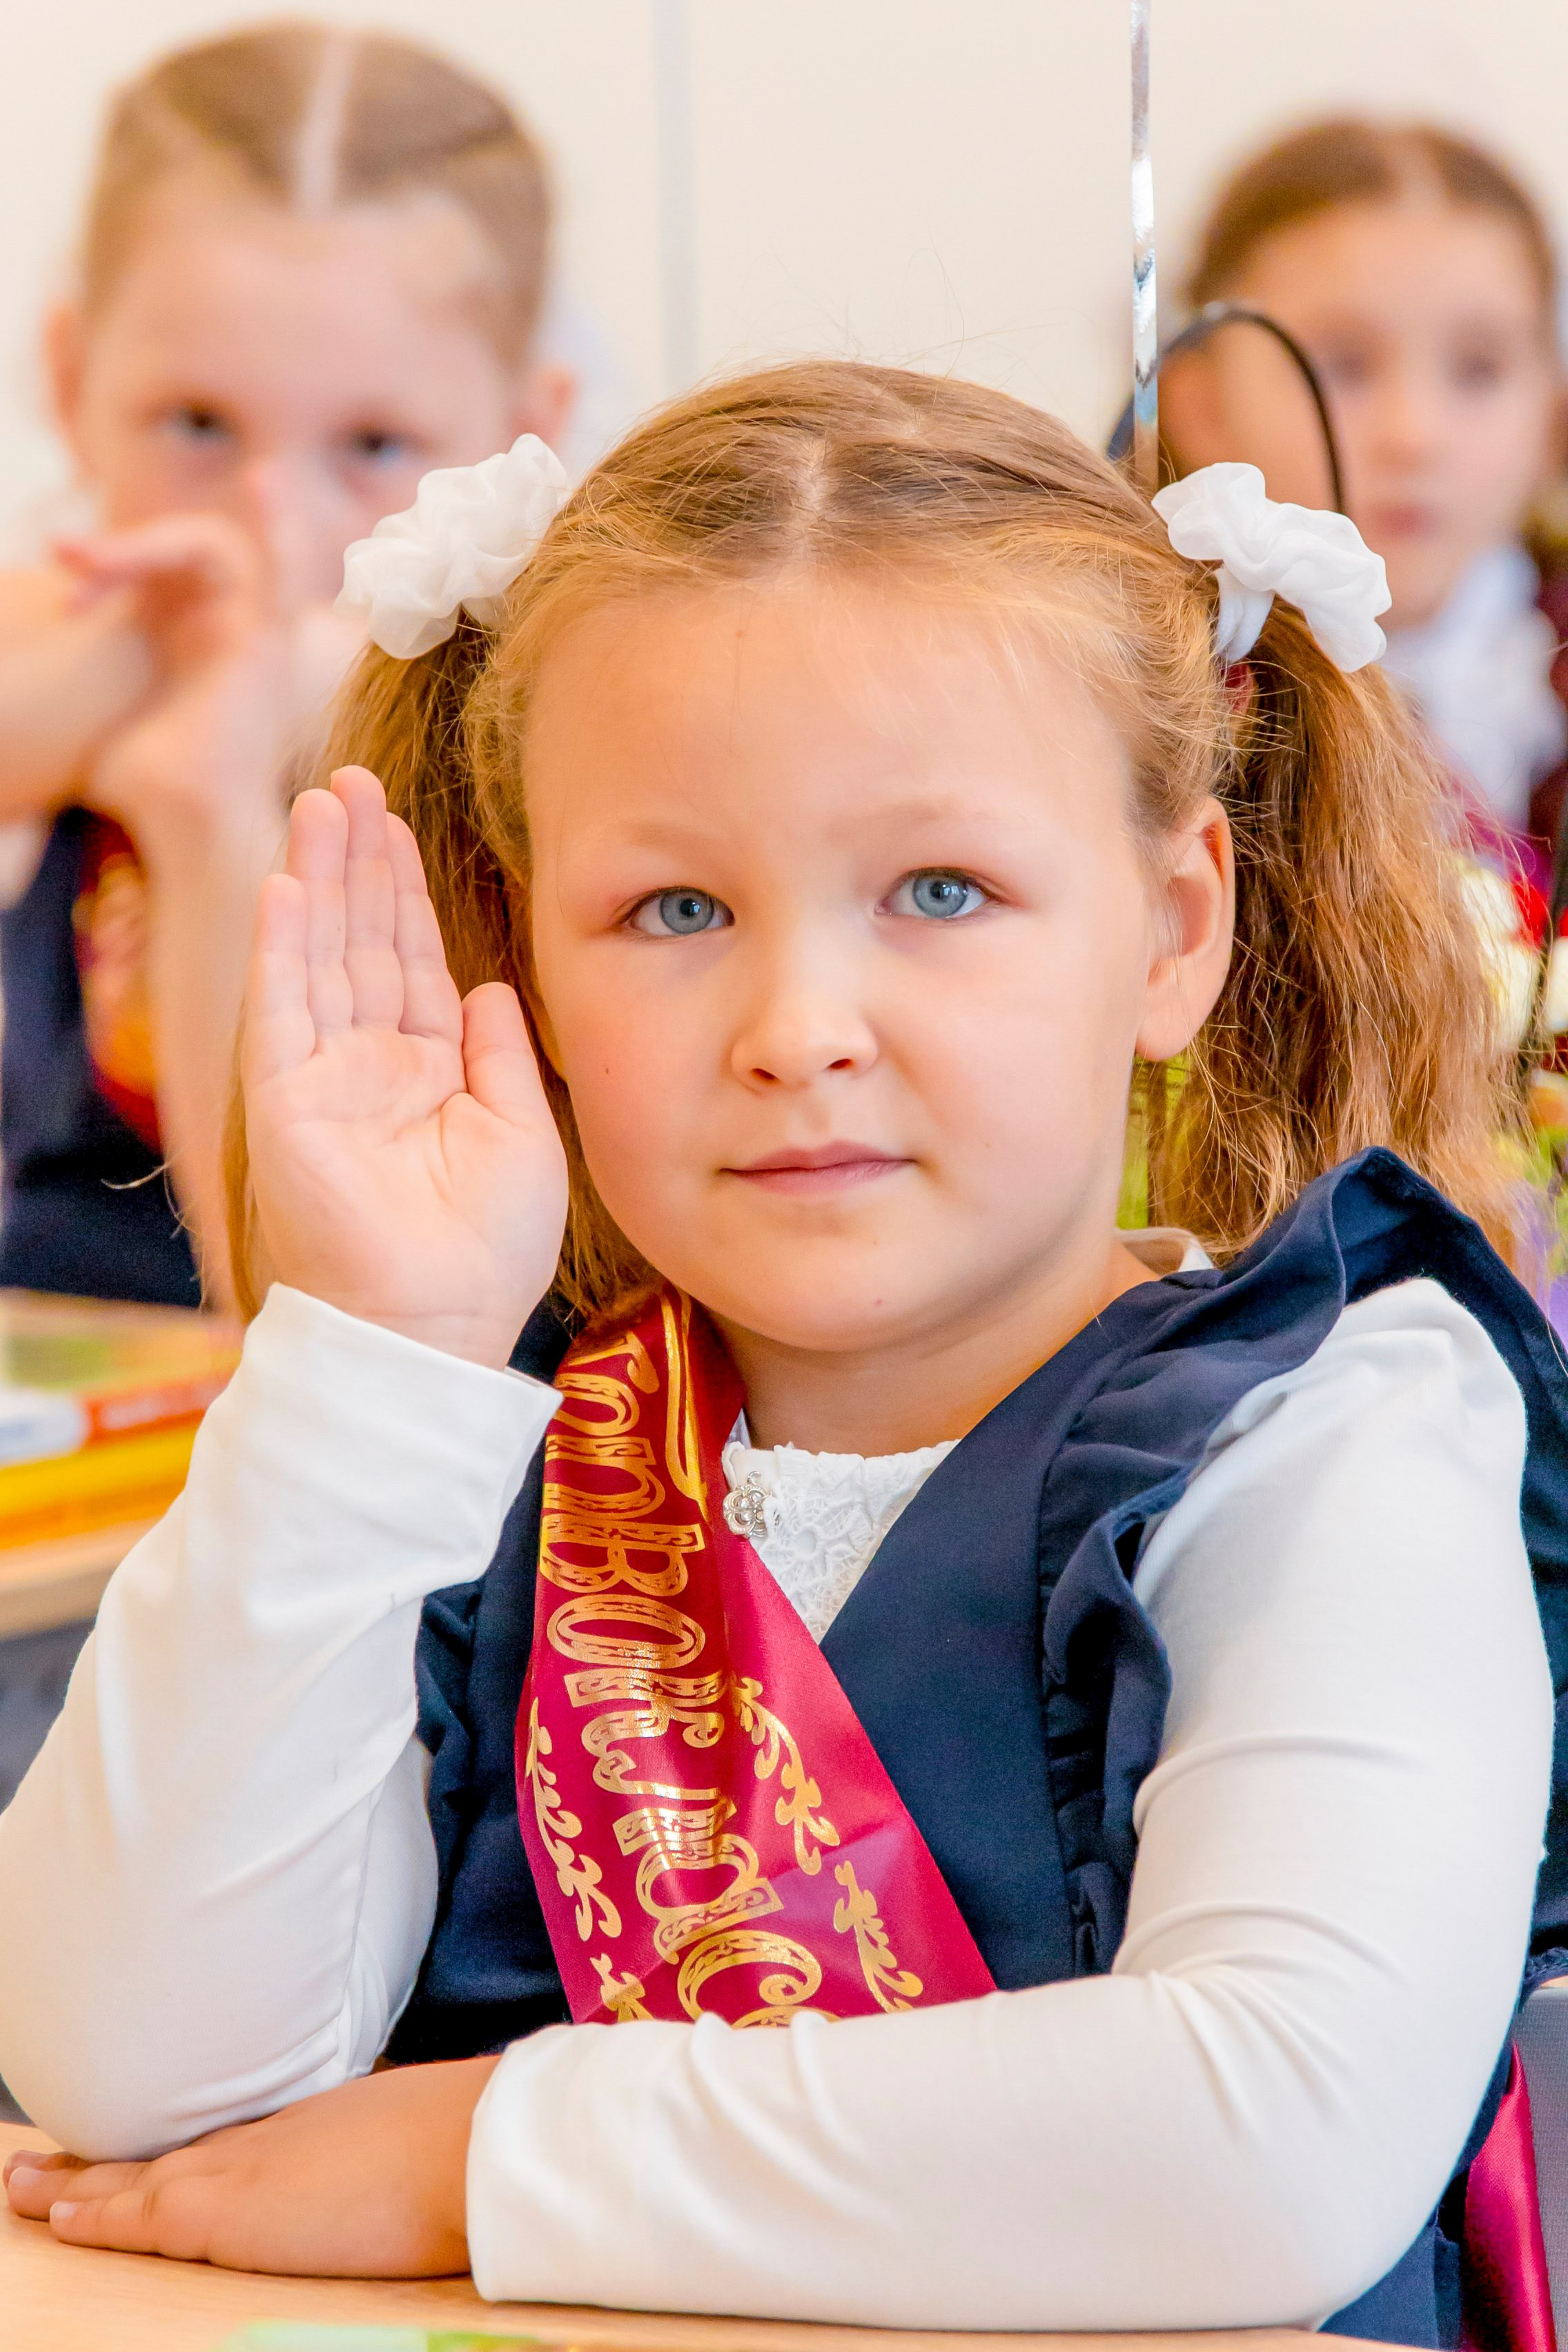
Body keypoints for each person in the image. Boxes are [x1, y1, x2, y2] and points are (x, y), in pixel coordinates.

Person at [1, 363, 1564, 2345]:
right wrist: (371, 1362)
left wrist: (477, 2157)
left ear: (1174, 929)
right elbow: (132, 2074)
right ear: (527, 961)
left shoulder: (1335, 1431)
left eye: (940, 892)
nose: (797, 1021)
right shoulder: (481, 1440)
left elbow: (1276, 2132)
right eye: (672, 907)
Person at [0, 21, 571, 1308]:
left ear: (526, 437)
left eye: (372, 442)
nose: (272, 527)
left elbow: (284, 1303)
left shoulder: (538, 733)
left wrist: (205, 798)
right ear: (71, 376)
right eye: (198, 424)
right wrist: (199, 667)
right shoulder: (88, 639)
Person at [1160, 119, 1567, 892]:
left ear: (1551, 418)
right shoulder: (1134, 687)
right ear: (1202, 402)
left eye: (1477, 370)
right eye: (1343, 366)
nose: (1414, 437)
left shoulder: (1542, 693)